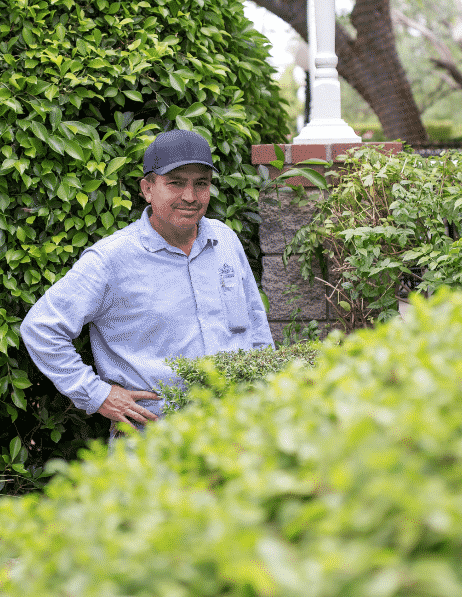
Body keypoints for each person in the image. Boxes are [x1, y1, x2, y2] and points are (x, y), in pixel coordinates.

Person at [19, 129, 274, 439]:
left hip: (237, 436)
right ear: (148, 188)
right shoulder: (112, 259)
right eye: (176, 183)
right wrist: (98, 395)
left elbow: (256, 328)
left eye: (201, 184)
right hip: (155, 445)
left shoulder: (225, 240)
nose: (190, 196)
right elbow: (41, 327)